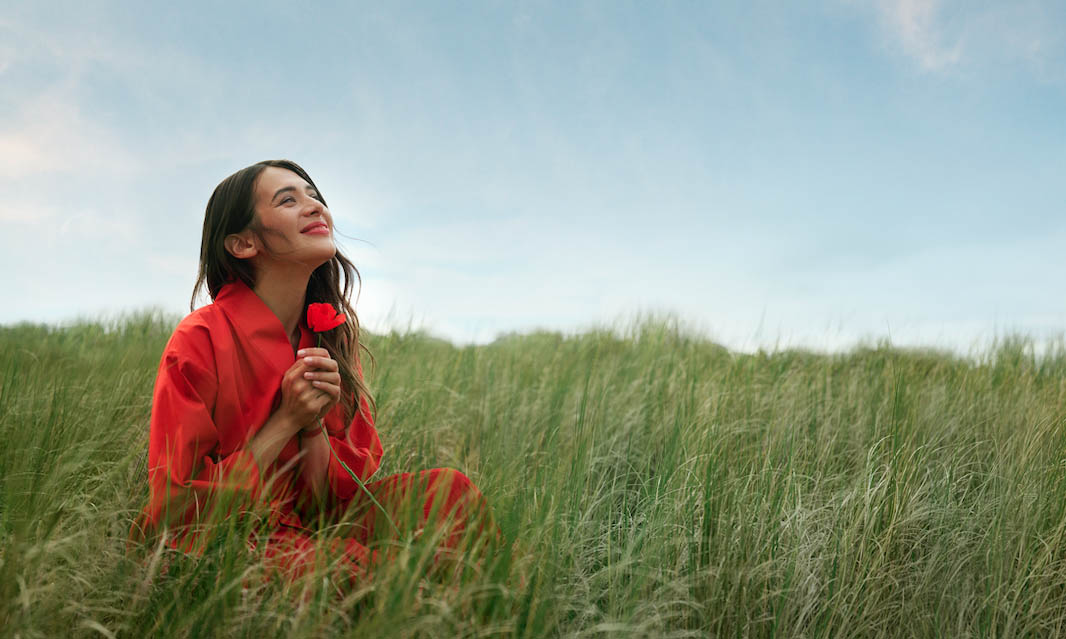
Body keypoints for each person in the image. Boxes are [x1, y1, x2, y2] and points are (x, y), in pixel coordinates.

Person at [130, 159, 493, 583]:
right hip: (229, 534)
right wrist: (286, 421)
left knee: (448, 494)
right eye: (288, 200)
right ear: (244, 243)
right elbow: (176, 509)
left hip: (311, 527)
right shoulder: (199, 339)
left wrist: (314, 426)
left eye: (315, 196)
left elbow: (325, 508)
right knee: (340, 570)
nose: (315, 206)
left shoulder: (328, 336)